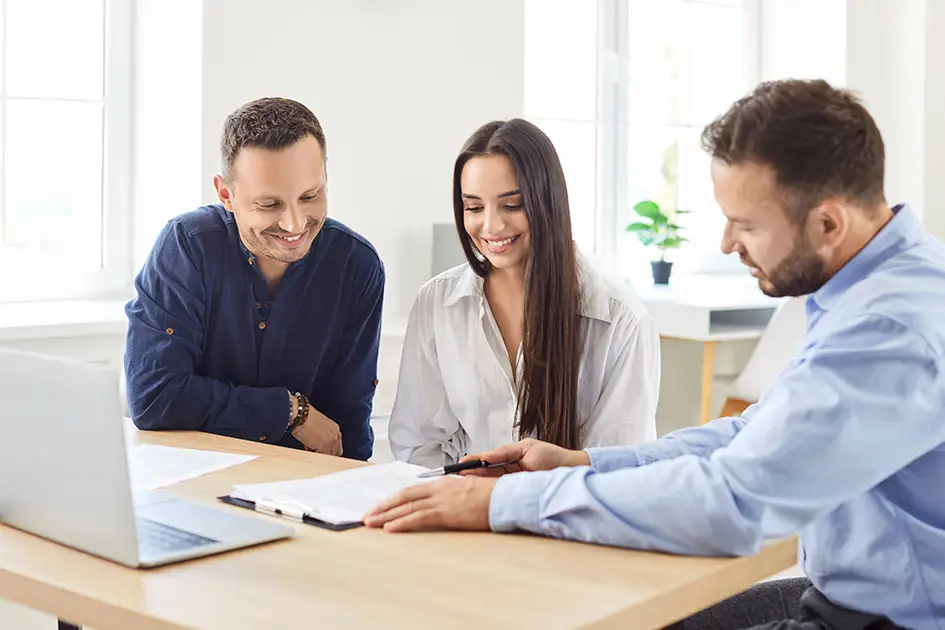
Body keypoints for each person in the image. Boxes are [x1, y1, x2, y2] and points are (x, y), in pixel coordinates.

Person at [365, 80, 945, 630]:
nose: (725, 244)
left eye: (745, 224)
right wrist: (586, 465)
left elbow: (731, 502)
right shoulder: (878, 285)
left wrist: (503, 500)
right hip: (847, 596)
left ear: (828, 222)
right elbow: (754, 432)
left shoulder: (888, 329)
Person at [387, 119, 660, 467]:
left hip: (566, 517)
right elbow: (417, 444)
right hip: (458, 512)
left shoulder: (621, 321)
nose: (491, 226)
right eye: (473, 207)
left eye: (511, 205)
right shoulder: (437, 304)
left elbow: (616, 466)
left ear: (547, 201)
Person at [125, 97, 384, 461]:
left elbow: (346, 430)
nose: (294, 224)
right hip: (192, 480)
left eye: (310, 196)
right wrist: (290, 411)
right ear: (226, 195)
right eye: (269, 205)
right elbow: (154, 398)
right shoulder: (188, 246)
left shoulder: (357, 266)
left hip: (305, 491)